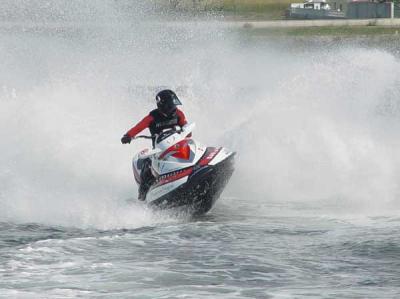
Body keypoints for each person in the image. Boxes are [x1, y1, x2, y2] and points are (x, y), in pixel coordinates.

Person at [121, 89, 189, 200]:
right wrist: (128, 135)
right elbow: (139, 127)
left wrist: (185, 128)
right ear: (163, 105)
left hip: (178, 147)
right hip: (160, 151)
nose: (173, 107)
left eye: (173, 104)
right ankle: (142, 199)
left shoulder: (179, 113)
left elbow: (188, 131)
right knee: (146, 169)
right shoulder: (152, 117)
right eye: (170, 105)